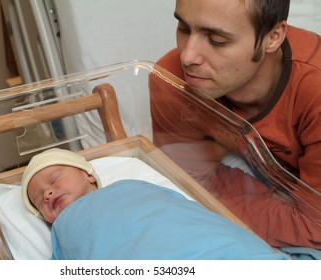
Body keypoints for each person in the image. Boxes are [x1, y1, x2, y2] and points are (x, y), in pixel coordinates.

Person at [149, 0, 321, 248]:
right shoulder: (172, 79)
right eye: (184, 28)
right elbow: (189, 178)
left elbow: (316, 226)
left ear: (273, 37)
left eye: (217, 40)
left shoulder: (313, 90)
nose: (187, 56)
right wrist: (271, 203)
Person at [21, 148, 287, 259]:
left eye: (54, 179)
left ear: (88, 174)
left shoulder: (129, 186)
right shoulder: (63, 228)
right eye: (38, 200)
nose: (47, 194)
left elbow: (184, 209)